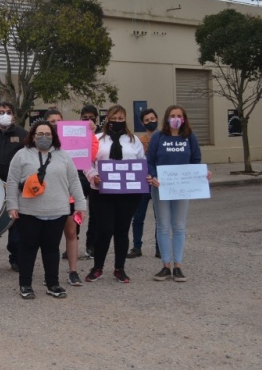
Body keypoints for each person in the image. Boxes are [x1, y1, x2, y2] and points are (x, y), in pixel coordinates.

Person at [6, 120, 86, 299]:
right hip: (29, 212)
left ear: (54, 136)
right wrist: (12, 205)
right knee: (28, 249)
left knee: (51, 249)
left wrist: (80, 205)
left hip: (57, 211)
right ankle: (25, 284)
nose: (44, 137)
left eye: (48, 134)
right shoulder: (21, 155)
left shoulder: (63, 156)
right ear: (33, 136)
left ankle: (53, 284)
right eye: (40, 134)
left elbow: (74, 181)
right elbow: (12, 181)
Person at [146, 105, 209, 282]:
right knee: (163, 226)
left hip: (182, 187)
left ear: (184, 119)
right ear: (167, 118)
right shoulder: (158, 137)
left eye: (179, 116)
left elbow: (196, 160)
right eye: (172, 115)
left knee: (179, 226)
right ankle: (166, 265)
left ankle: (178, 266)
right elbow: (149, 161)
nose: (175, 118)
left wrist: (202, 174)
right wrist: (153, 176)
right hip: (160, 187)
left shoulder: (189, 137)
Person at [85, 105, 146, 284]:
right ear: (107, 119)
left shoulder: (134, 141)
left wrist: (145, 176)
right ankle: (97, 267)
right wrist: (93, 176)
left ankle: (119, 269)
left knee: (121, 231)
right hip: (102, 192)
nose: (117, 122)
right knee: (104, 230)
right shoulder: (97, 139)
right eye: (114, 118)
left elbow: (142, 162)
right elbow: (87, 163)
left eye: (121, 119)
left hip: (128, 194)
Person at [0, 101, 27, 271]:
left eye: (8, 112)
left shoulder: (23, 134)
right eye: (1, 112)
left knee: (15, 222)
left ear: (14, 116)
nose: (5, 115)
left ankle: (16, 258)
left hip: (15, 185)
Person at [45, 109, 84, 286]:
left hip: (68, 198)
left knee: (71, 233)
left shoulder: (71, 142)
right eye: (51, 121)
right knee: (49, 238)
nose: (55, 124)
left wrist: (89, 129)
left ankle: (73, 271)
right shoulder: (40, 145)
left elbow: (87, 155)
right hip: (47, 198)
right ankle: (49, 274)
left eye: (58, 121)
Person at [128, 107, 160, 259]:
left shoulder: (163, 138)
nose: (150, 122)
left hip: (158, 183)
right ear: (142, 123)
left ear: (157, 119)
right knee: (138, 217)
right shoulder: (138, 141)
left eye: (152, 119)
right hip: (142, 184)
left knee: (159, 217)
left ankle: (160, 247)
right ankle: (136, 247)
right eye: (147, 120)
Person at [78, 104, 101, 259]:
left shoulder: (102, 134)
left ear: (96, 118)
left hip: (94, 178)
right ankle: (73, 242)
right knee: (77, 212)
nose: (88, 120)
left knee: (95, 214)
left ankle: (91, 245)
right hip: (78, 177)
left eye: (91, 117)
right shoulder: (76, 132)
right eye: (85, 117)